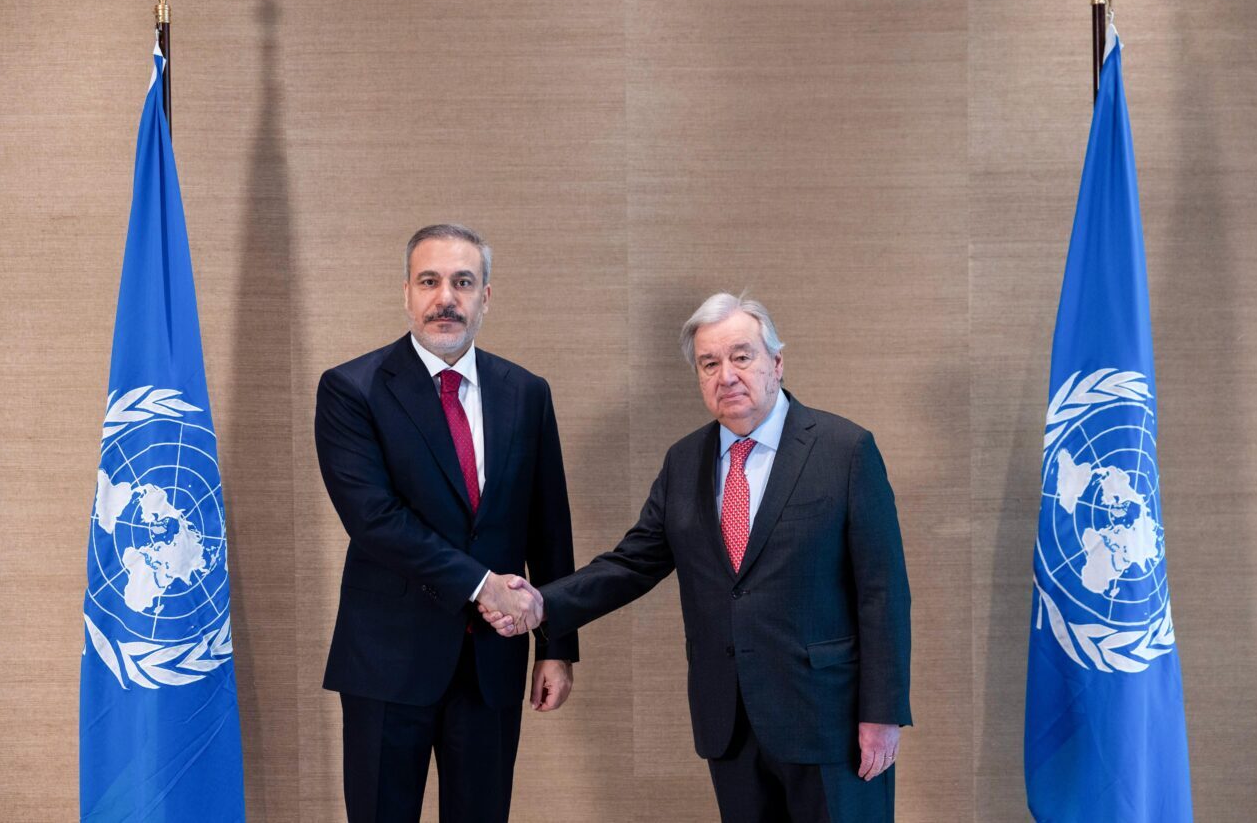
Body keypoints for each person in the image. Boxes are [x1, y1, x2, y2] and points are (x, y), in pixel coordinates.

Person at [482, 292, 911, 822]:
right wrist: (541, 603)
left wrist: (882, 714)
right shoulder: (685, 461)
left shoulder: (845, 450)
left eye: (741, 356)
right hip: (729, 721)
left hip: (831, 722)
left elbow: (883, 592)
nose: (726, 375)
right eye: (709, 364)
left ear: (777, 362)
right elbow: (631, 564)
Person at [315, 223, 577, 823]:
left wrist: (556, 646)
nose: (445, 299)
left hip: (492, 662)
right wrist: (483, 585)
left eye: (463, 282)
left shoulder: (527, 393)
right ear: (406, 293)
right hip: (387, 661)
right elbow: (375, 520)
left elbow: (548, 525)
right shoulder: (351, 389)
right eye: (429, 281)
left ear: (486, 296)